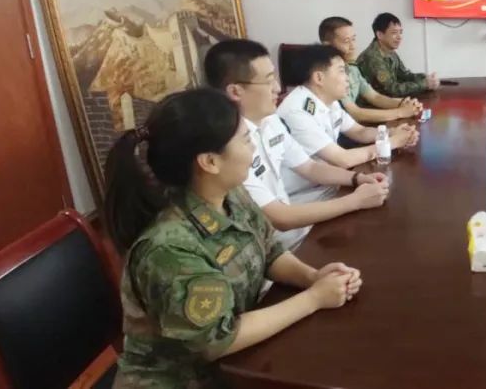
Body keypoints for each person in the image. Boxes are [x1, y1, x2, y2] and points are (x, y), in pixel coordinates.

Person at [103, 88, 362, 387]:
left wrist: (312, 277)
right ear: (210, 162)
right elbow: (217, 339)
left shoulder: (230, 194)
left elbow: (269, 249)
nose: (253, 148)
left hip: (239, 364)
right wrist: (314, 299)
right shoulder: (169, 247)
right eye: (246, 139)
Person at [203, 39, 389, 251]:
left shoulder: (269, 120)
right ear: (236, 91)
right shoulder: (227, 145)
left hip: (292, 221)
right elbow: (280, 218)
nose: (277, 88)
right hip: (273, 245)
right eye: (268, 81)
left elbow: (310, 167)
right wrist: (355, 201)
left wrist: (357, 178)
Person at [279, 44, 419, 169]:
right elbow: (343, 159)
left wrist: (390, 133)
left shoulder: (329, 100)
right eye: (341, 71)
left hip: (331, 180)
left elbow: (359, 132)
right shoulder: (298, 111)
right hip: (313, 189)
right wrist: (393, 142)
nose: (347, 78)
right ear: (319, 78)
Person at [319, 16, 423, 123]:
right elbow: (355, 113)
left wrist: (404, 103)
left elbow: (374, 96)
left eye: (353, 39)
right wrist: (400, 112)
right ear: (327, 46)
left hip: (355, 125)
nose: (353, 46)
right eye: (346, 41)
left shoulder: (352, 68)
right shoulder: (328, 75)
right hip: (345, 126)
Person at [357, 12, 439, 97]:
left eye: (400, 32)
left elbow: (405, 75)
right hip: (370, 103)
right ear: (380, 35)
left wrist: (426, 78)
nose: (399, 37)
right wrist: (424, 84)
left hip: (386, 100)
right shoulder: (372, 57)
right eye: (394, 33)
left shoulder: (390, 51)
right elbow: (392, 90)